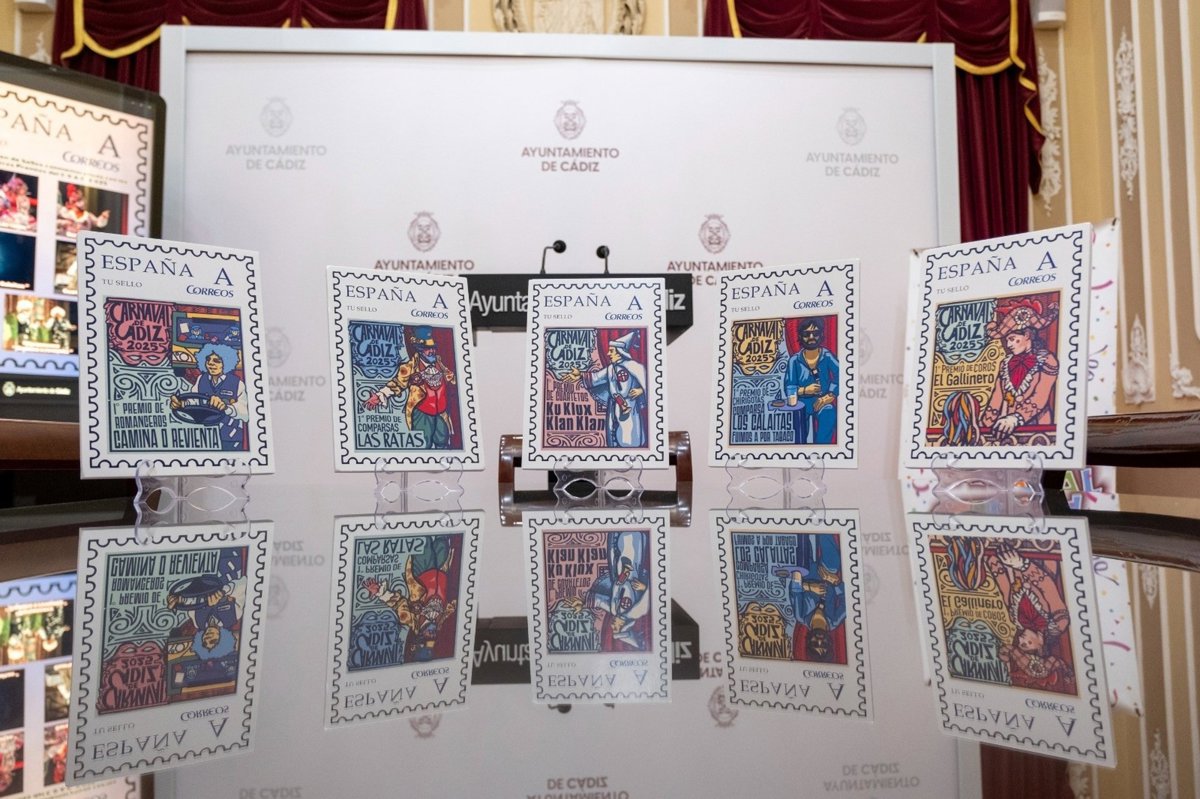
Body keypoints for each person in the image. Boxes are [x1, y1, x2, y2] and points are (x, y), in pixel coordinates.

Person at [983, 543, 1075, 693]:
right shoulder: (1059, 624)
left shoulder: (1017, 620)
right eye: (1027, 644)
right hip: (1041, 558)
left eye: (1021, 643)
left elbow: (1004, 586)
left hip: (1010, 556)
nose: (1021, 640)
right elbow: (1048, 587)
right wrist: (1023, 564)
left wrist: (991, 557)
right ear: (1041, 645)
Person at [363, 326, 457, 449]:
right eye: (427, 349)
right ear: (420, 350)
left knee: (443, 442)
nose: (432, 351)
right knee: (423, 445)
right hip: (422, 414)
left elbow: (451, 377)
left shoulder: (439, 362)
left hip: (441, 414)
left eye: (433, 348)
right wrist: (380, 395)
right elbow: (397, 383)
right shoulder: (410, 367)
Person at [982, 299, 1059, 442]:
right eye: (1007, 340)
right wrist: (985, 426)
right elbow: (996, 398)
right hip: (1006, 429)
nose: (1009, 344)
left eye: (1012, 339)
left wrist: (1016, 418)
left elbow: (1040, 396)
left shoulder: (1047, 360)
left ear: (1027, 335)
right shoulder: (1006, 363)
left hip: (1037, 428)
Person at [560, 330, 647, 448]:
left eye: (611, 351)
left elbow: (647, 382)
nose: (608, 354)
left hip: (630, 405)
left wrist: (640, 391)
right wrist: (579, 375)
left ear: (619, 352)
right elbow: (596, 378)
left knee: (630, 436)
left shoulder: (634, 366)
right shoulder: (610, 368)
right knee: (615, 436)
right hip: (615, 406)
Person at [779, 534, 846, 663]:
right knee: (833, 564)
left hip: (807, 573)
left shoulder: (800, 616)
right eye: (823, 644)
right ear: (829, 642)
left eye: (815, 644)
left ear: (809, 641)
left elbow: (794, 589)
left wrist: (810, 587)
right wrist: (834, 581)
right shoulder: (835, 620)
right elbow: (847, 601)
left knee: (800, 564)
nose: (820, 640)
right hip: (827, 572)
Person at [170, 342, 247, 451]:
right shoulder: (201, 379)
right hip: (207, 436)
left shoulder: (237, 383)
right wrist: (181, 404)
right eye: (208, 360)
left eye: (216, 361)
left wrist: (225, 407)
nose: (211, 363)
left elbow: (245, 413)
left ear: (226, 362)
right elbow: (194, 401)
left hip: (230, 437)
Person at [586, 531, 651, 651]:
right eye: (615, 628)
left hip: (617, 570)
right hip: (633, 567)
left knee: (613, 541)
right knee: (630, 540)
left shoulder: (614, 610)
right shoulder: (636, 612)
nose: (612, 625)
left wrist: (582, 603)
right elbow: (650, 596)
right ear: (623, 626)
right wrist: (644, 587)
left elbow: (598, 601)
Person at [784, 318, 838, 444]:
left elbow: (841, 374)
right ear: (800, 336)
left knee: (829, 413)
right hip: (801, 403)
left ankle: (822, 451)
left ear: (821, 335)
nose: (811, 337)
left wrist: (830, 395)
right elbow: (789, 387)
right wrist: (804, 390)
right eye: (806, 334)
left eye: (815, 333)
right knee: (798, 428)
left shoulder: (827, 356)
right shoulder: (794, 360)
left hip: (822, 401)